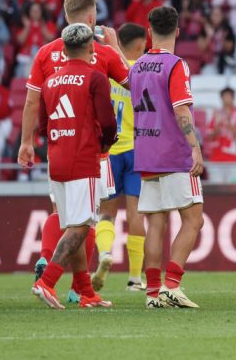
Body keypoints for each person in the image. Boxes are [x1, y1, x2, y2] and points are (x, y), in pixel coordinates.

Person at [18, 0, 129, 292]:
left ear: (66, 16)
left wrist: (27, 142)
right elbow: (134, 82)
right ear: (92, 18)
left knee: (60, 213)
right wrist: (117, 47)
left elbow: (31, 103)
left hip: (57, 147)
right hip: (93, 152)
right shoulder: (101, 52)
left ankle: (57, 266)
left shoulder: (44, 53)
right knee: (87, 220)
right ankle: (74, 287)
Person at [32, 23, 117, 310]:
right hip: (84, 160)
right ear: (92, 47)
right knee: (81, 228)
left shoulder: (50, 81)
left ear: (64, 49)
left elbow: (43, 126)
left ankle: (85, 292)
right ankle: (47, 282)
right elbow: (107, 122)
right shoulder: (95, 78)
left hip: (57, 160)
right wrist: (106, 143)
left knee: (73, 225)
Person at [129, 6, 204, 309]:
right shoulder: (176, 65)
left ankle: (152, 293)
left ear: (149, 31)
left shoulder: (136, 67)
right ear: (177, 31)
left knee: (155, 224)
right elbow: (181, 109)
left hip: (145, 152)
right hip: (173, 152)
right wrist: (195, 147)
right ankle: (171, 285)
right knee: (193, 219)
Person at [90, 23, 148, 293]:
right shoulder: (142, 69)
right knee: (136, 213)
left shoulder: (105, 67)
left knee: (107, 213)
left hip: (108, 150)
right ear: (139, 45)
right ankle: (135, 278)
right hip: (136, 150)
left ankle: (104, 255)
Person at [206, 87, 236, 183]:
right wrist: (218, 126)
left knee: (235, 192)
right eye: (224, 96)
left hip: (234, 160)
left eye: (229, 96)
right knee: (216, 192)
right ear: (221, 98)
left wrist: (228, 122)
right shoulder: (215, 114)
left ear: (233, 98)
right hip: (216, 160)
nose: (226, 99)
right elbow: (210, 137)